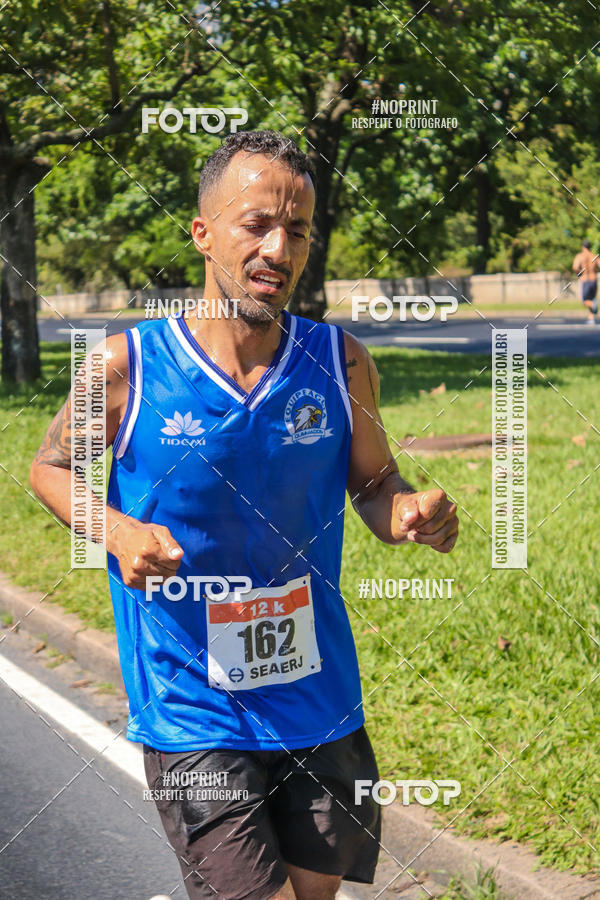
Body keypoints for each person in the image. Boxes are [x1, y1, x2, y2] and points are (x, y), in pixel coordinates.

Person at [30, 130, 459, 900]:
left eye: (297, 230)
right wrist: (116, 530)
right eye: (256, 224)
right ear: (203, 232)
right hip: (191, 704)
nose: (278, 248)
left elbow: (374, 482)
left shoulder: (340, 362)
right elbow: (49, 468)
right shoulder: (125, 367)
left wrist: (405, 512)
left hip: (317, 694)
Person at [572, 238, 599, 324]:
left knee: (584, 301)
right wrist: (595, 270)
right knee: (591, 298)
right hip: (594, 280)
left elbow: (575, 267)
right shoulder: (594, 256)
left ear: (583, 247)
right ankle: (591, 318)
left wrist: (579, 273)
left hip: (585, 280)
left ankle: (593, 304)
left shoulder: (580, 256)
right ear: (589, 247)